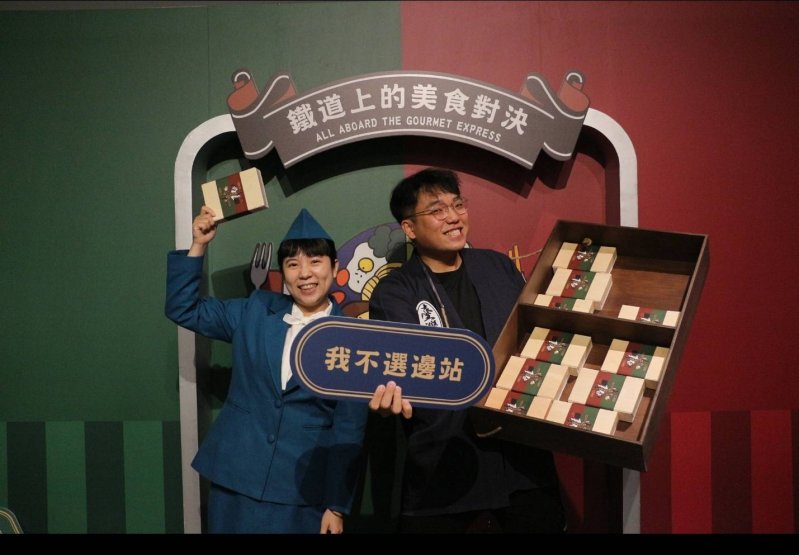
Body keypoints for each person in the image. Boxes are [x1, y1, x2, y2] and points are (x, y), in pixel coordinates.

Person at [368, 168, 566, 533]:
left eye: (458, 205)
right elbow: (404, 372)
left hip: (521, 456)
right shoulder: (396, 291)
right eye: (437, 210)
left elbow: (532, 338)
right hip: (445, 461)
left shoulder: (498, 266)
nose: (453, 217)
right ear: (409, 228)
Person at [165, 206, 368, 534]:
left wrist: (336, 505)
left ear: (334, 267)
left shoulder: (354, 340)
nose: (305, 274)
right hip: (235, 478)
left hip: (301, 489)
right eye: (293, 264)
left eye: (315, 261)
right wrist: (199, 245)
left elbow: (349, 427)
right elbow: (183, 308)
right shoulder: (255, 310)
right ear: (283, 273)